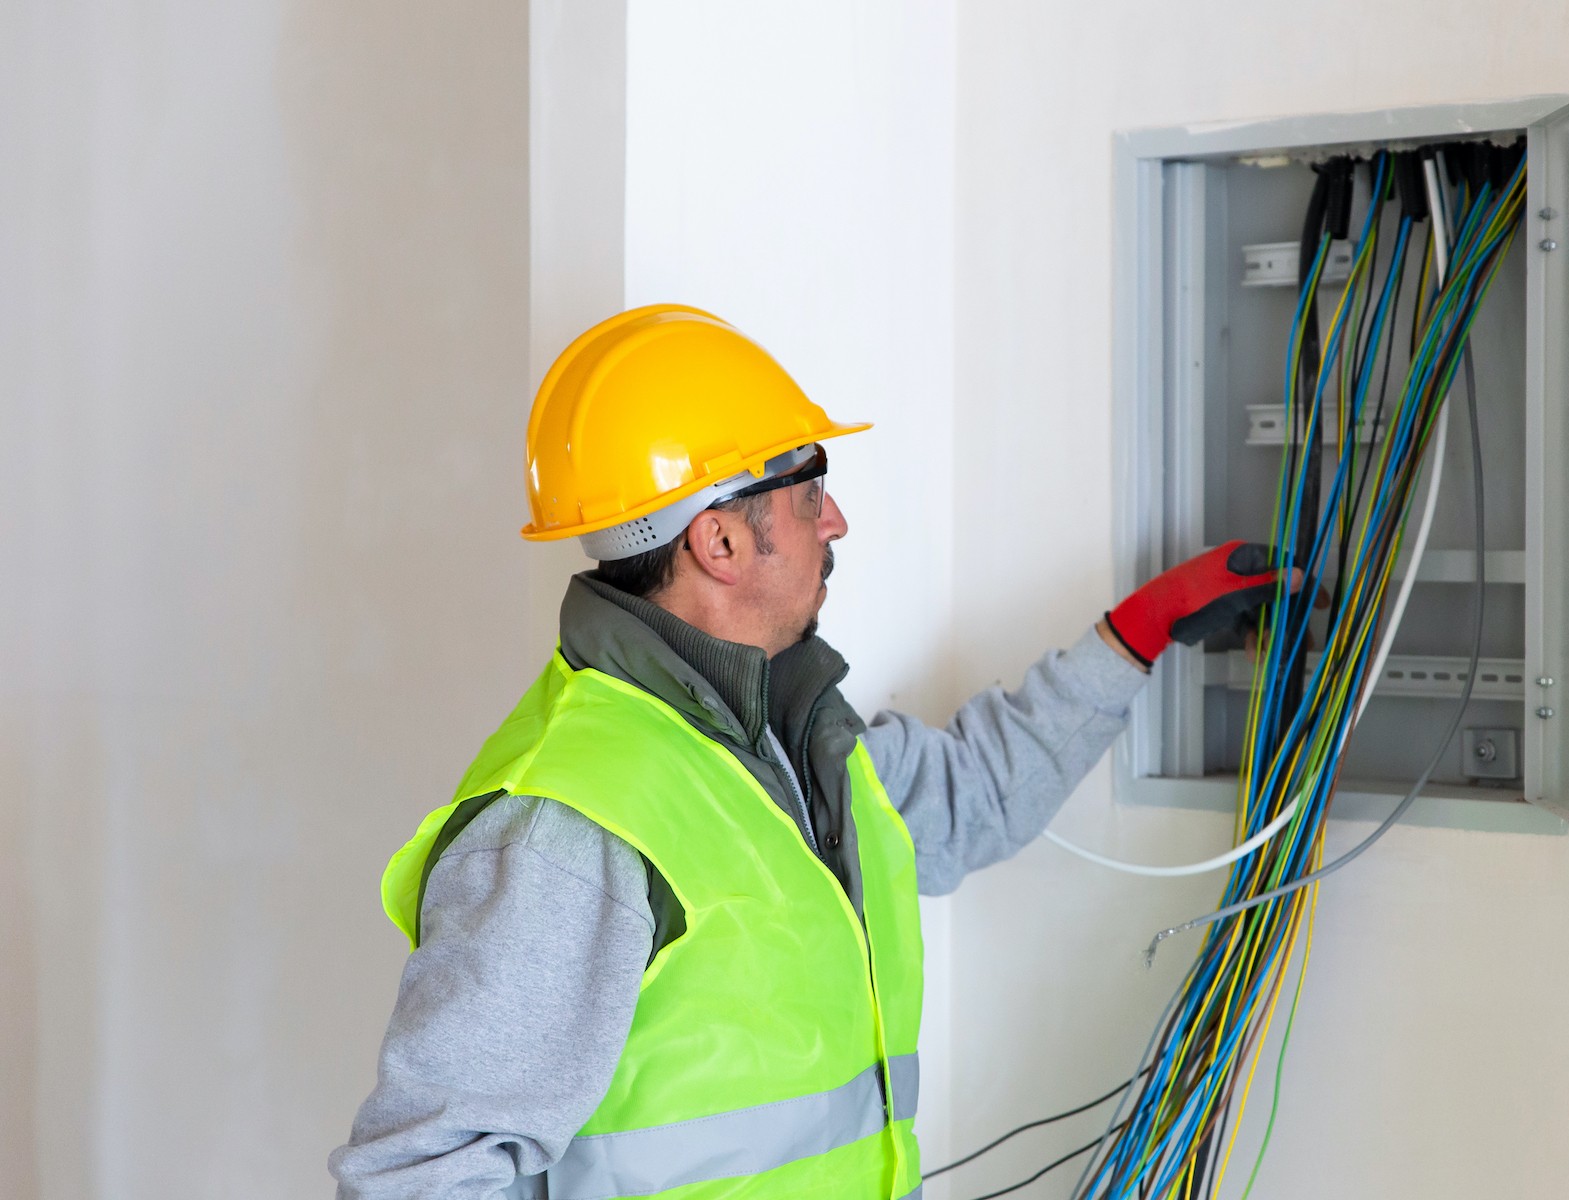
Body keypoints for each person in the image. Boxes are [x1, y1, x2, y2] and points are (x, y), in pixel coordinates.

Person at [330, 305, 1292, 1200]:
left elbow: (970, 802)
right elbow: (424, 1176)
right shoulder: (569, 824)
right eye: (809, 490)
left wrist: (1137, 633)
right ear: (718, 540)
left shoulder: (795, 736)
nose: (834, 521)